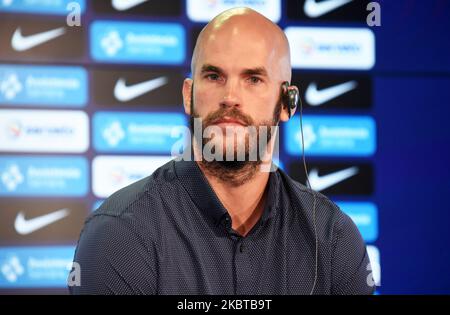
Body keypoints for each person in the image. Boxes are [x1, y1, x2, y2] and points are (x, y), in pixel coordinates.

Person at [69, 7, 375, 295]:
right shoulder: (120, 234)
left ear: (286, 103)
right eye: (214, 77)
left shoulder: (333, 239)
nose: (230, 97)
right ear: (189, 96)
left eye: (253, 79)